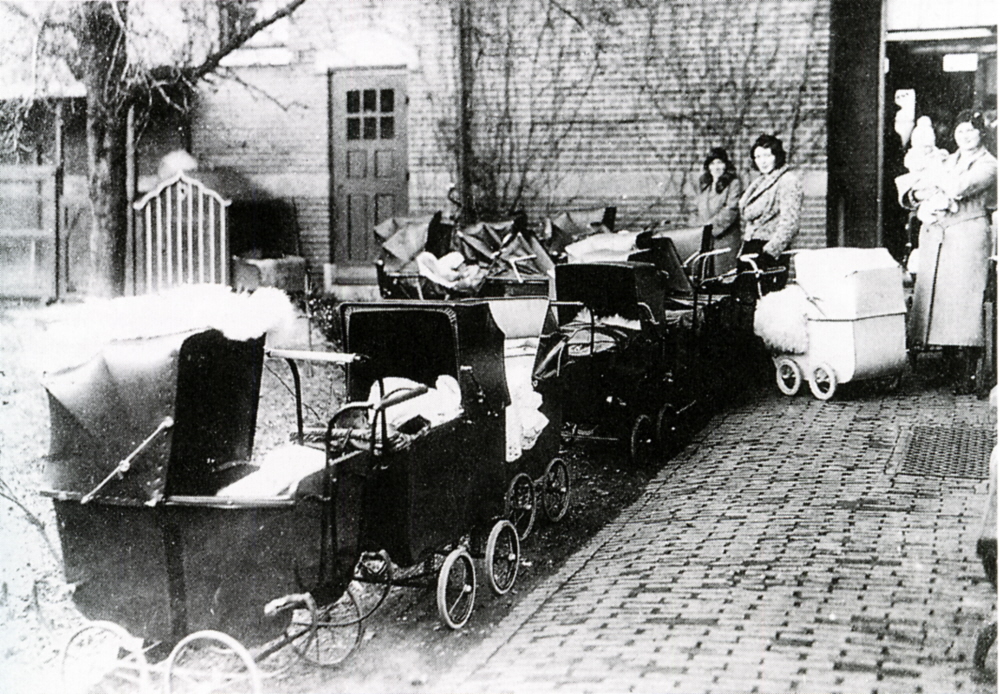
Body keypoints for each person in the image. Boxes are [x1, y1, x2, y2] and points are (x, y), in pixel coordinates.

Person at [902, 110, 998, 394]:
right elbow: (911, 190)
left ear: (982, 133)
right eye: (960, 130)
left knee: (963, 304)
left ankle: (968, 372)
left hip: (967, 236)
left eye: (971, 130)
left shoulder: (989, 164)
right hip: (939, 236)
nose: (965, 136)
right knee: (941, 302)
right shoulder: (947, 159)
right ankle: (946, 366)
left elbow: (958, 187)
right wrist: (923, 188)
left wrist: (929, 183)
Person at [738, 134, 803, 277]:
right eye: (758, 157)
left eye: (767, 156)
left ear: (777, 156)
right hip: (751, 248)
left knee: (763, 297)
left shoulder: (787, 181)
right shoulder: (760, 181)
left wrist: (769, 253)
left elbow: (790, 223)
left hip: (769, 254)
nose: (763, 161)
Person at [689, 147, 743, 275]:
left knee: (724, 279)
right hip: (704, 242)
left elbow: (731, 209)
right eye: (712, 163)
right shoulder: (704, 186)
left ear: (726, 165)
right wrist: (696, 231)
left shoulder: (733, 184)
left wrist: (708, 228)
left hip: (724, 241)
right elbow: (694, 210)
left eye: (720, 162)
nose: (716, 167)